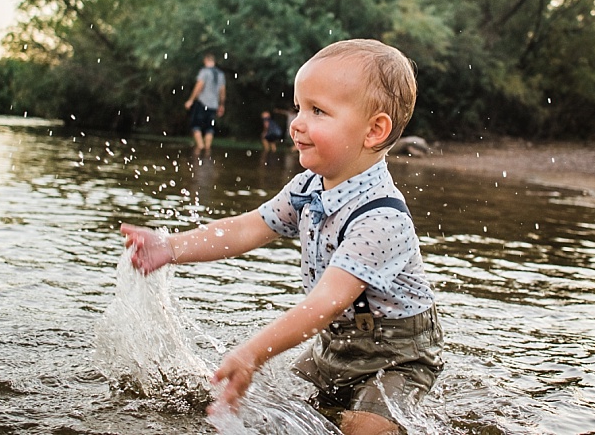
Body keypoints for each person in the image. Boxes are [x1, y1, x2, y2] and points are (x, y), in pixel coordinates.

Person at [122, 39, 442, 435]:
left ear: (374, 130)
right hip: (337, 340)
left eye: (318, 111)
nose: (296, 123)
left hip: (398, 353)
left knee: (364, 429)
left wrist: (252, 354)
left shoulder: (380, 218)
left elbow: (326, 303)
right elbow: (247, 227)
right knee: (278, 414)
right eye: (299, 107)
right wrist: (171, 246)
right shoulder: (308, 187)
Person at [184, 53, 226, 154]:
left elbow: (199, 85)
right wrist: (221, 105)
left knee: (196, 125)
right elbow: (223, 90)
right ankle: (207, 149)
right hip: (214, 105)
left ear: (206, 61)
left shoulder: (204, 72)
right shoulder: (220, 74)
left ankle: (200, 147)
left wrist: (191, 100)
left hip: (202, 103)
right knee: (209, 128)